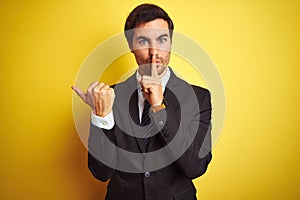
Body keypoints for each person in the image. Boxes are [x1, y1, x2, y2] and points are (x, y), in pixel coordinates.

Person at [72, 3, 212, 200]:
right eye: (144, 41)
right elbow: (101, 173)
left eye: (162, 40)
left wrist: (158, 106)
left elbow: (195, 167)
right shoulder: (110, 96)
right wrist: (100, 116)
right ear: (131, 46)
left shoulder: (198, 97)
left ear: (171, 42)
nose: (154, 52)